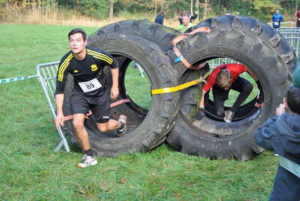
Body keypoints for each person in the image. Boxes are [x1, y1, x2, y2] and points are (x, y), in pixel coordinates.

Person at [55, 28, 127, 168]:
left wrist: (115, 87)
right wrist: (59, 112)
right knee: (77, 123)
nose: (74, 44)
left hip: (100, 94)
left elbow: (114, 63)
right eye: (71, 41)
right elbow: (59, 89)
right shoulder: (66, 62)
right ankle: (89, 156)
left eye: (78, 40)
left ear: (85, 42)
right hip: (80, 94)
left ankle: (121, 124)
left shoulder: (96, 55)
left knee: (103, 127)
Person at [254, 84, 300, 201]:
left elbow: (260, 136)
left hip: (286, 190)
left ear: (286, 103)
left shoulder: (280, 127)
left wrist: (278, 118)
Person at [195, 63, 263, 122]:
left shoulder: (236, 68)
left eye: (226, 87)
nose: (226, 89)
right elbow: (203, 92)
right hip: (218, 88)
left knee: (248, 86)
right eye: (224, 87)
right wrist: (201, 108)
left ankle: (231, 111)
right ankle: (222, 107)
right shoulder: (213, 77)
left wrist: (259, 84)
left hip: (235, 81)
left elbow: (248, 68)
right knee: (220, 113)